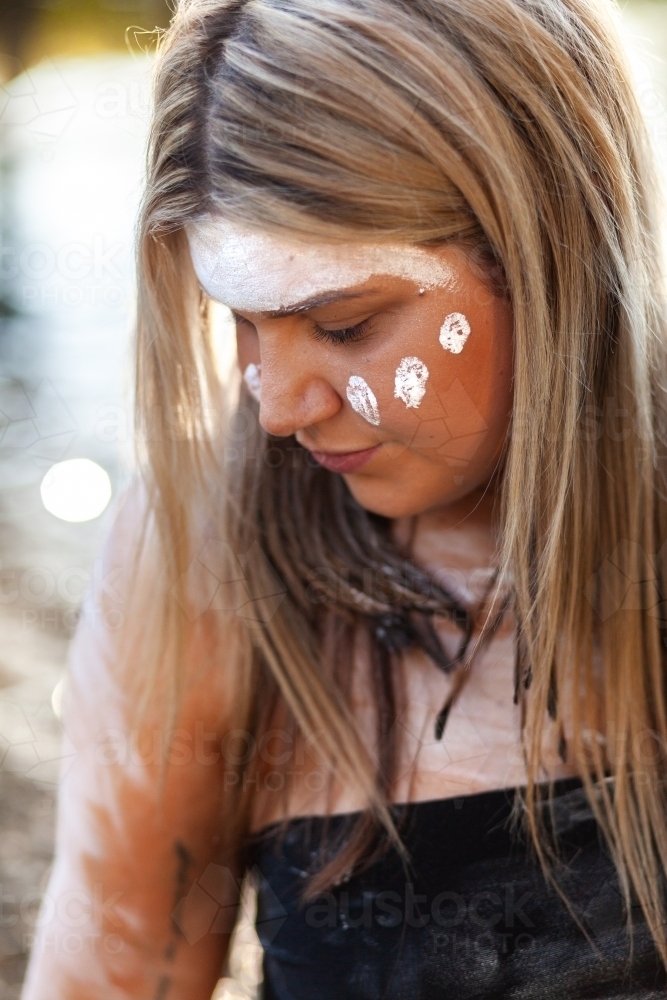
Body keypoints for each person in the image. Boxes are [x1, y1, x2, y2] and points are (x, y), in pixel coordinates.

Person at [20, 0, 667, 996]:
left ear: (549, 251)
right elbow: (110, 974)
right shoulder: (201, 552)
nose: (277, 408)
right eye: (238, 321)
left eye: (342, 323)